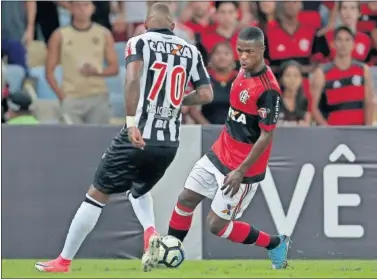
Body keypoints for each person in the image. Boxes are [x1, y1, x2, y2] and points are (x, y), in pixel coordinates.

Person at [35, 3, 213, 273]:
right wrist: (176, 103)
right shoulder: (190, 49)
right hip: (169, 143)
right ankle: (151, 234)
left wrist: (131, 123)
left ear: (145, 23)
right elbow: (206, 95)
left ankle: (64, 261)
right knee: (139, 189)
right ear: (173, 25)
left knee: (96, 193)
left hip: (139, 133)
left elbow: (131, 79)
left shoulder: (139, 42)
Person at [166, 26, 290, 271]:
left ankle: (275, 243)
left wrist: (240, 171)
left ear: (263, 51)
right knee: (186, 198)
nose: (243, 57)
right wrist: (180, 100)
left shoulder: (268, 90)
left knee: (216, 225)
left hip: (242, 167)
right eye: (240, 51)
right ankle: (170, 258)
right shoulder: (241, 73)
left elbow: (266, 136)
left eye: (249, 52)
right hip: (219, 153)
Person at [46, 1, 118, 124]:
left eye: (86, 5)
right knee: (71, 141)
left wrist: (97, 72)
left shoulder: (104, 34)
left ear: (93, 8)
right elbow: (49, 71)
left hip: (98, 96)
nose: (82, 9)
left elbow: (114, 68)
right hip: (71, 97)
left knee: (98, 140)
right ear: (71, 8)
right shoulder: (59, 35)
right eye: (78, 5)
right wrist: (62, 96)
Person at [311, 26, 374, 126]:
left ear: (354, 44)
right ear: (333, 44)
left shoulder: (363, 70)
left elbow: (369, 103)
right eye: (339, 40)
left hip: (359, 130)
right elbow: (314, 108)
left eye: (347, 40)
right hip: (333, 132)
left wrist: (367, 130)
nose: (343, 44)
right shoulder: (322, 72)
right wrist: (327, 129)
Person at [278, 61, 311, 126]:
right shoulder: (274, 101)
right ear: (281, 79)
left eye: (296, 76)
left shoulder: (305, 102)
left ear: (301, 79)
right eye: (288, 75)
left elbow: (308, 125)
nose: (292, 79)